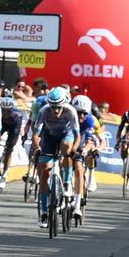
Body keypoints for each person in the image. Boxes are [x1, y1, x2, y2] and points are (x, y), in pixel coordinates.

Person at [30, 87, 80, 227]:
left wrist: (73, 150)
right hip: (49, 136)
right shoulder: (43, 111)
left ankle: (67, 182)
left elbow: (77, 136)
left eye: (58, 107)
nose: (55, 111)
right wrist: (37, 147)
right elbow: (35, 134)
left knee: (66, 147)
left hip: (66, 135)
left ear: (64, 105)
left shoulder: (71, 111)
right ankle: (45, 211)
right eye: (52, 107)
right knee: (45, 170)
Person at [69, 94, 98, 218]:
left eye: (84, 114)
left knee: (79, 170)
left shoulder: (90, 120)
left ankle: (77, 205)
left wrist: (85, 150)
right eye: (79, 113)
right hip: (70, 142)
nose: (81, 116)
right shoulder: (68, 116)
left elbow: (90, 140)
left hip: (82, 144)